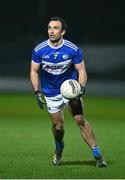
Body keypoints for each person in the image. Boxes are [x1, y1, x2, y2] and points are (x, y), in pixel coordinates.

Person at [30, 16, 106, 167]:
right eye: (49, 28)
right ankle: (59, 146)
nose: (51, 31)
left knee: (80, 120)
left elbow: (82, 71)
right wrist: (37, 92)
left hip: (70, 90)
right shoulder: (39, 50)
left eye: (55, 28)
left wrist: (81, 88)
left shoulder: (73, 49)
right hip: (51, 92)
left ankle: (97, 154)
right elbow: (33, 71)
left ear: (62, 31)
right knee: (58, 128)